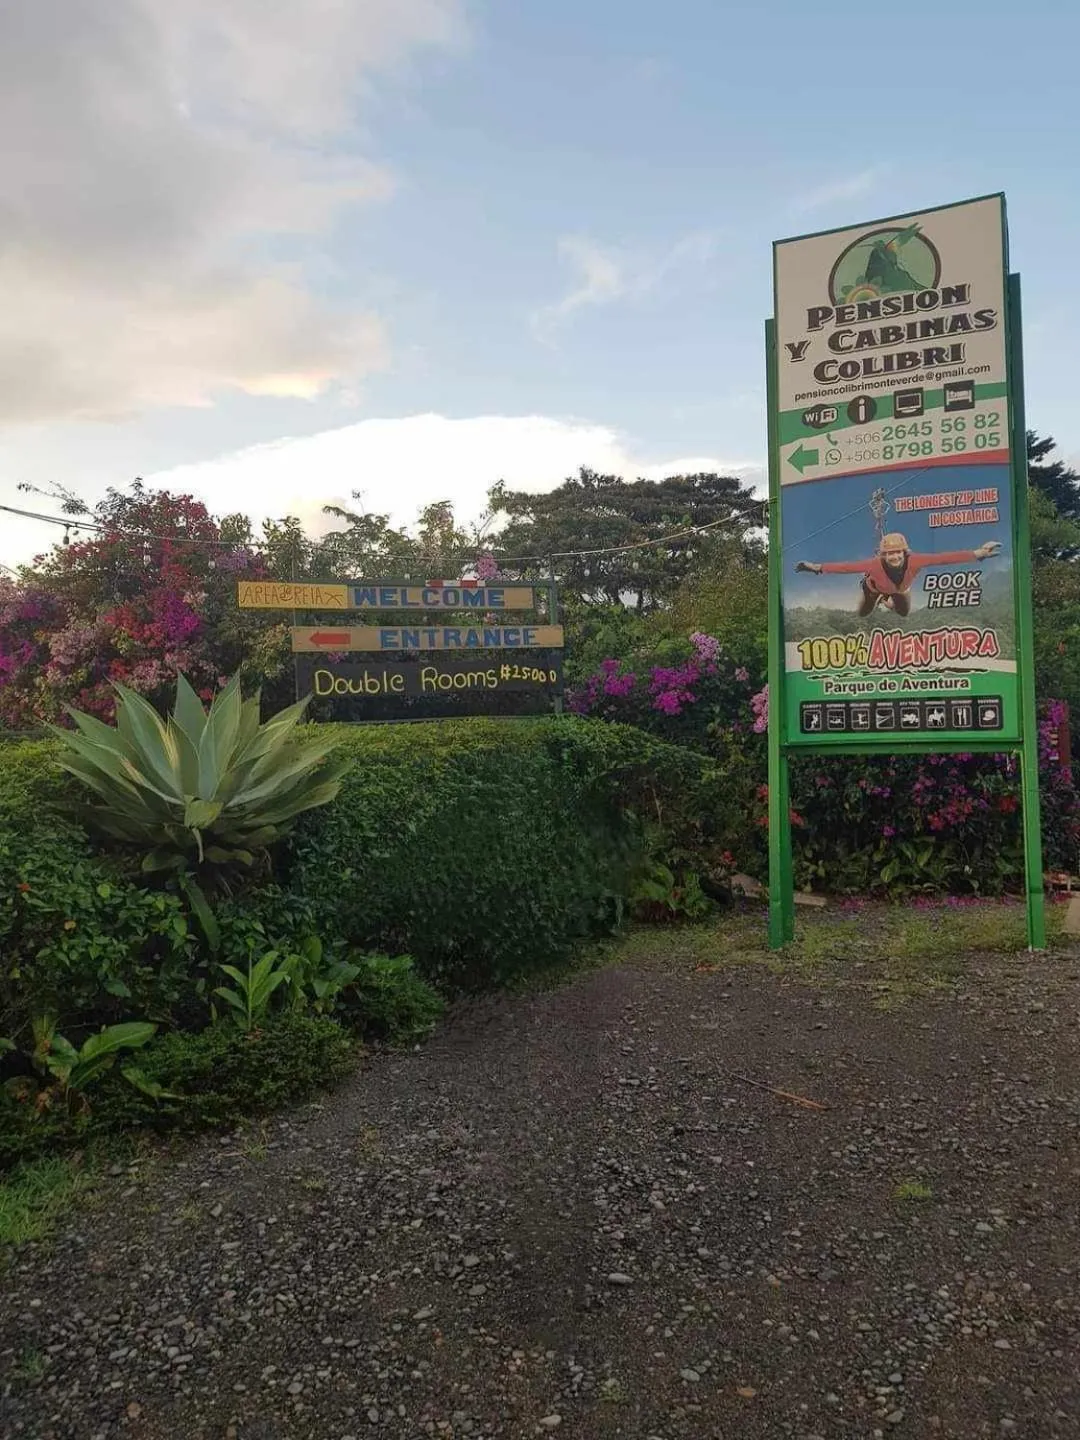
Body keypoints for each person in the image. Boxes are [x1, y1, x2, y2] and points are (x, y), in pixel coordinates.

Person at [795, 532, 1002, 618]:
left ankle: (888, 602)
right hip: (874, 588)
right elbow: (846, 567)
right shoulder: (875, 565)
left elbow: (944, 558)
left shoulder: (916, 561)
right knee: (864, 612)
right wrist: (816, 567)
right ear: (884, 555)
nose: (894, 557)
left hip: (900, 590)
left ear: (905, 552)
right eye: (889, 553)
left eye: (897, 552)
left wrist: (979, 553)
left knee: (903, 612)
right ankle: (879, 599)